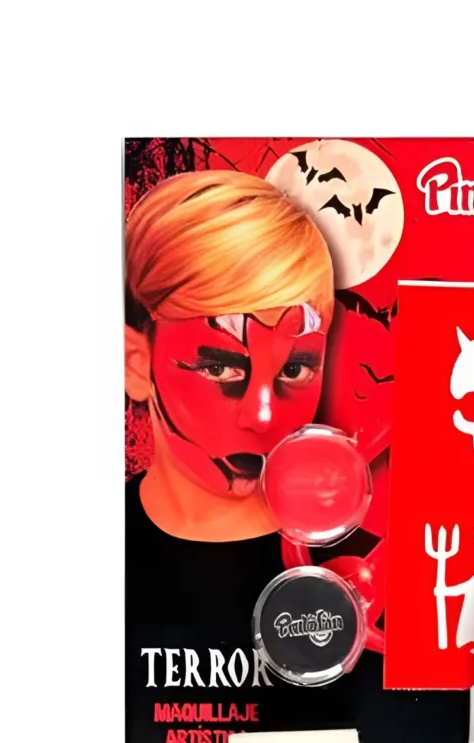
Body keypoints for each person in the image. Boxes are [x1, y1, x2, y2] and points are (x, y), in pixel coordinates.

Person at [124, 170, 335, 541]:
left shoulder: (360, 549)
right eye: (220, 368)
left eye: (293, 369)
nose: (263, 417)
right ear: (136, 364)